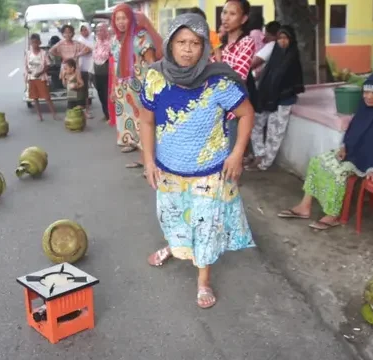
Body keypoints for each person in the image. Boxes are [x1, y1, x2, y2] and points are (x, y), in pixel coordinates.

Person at [140, 13, 255, 308]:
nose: (187, 49)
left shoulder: (218, 79)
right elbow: (147, 122)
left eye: (195, 43)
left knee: (205, 227)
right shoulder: (155, 77)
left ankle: (203, 280)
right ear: (170, 44)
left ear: (204, 47)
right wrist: (149, 161)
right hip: (168, 171)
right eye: (181, 42)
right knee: (174, 218)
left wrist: (237, 153)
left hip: (209, 172)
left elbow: (246, 114)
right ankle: (175, 247)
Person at [278, 73, 373, 230]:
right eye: (366, 92)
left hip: (368, 162)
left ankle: (333, 215)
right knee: (317, 161)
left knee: (337, 173)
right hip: (351, 153)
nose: (369, 97)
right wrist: (344, 146)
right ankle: (305, 206)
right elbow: (352, 131)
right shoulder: (363, 108)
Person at [110, 3, 163, 173]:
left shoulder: (141, 37)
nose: (120, 22)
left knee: (145, 125)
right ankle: (143, 159)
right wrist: (113, 88)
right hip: (124, 91)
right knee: (132, 126)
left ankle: (151, 164)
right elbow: (114, 67)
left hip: (141, 90)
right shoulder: (115, 40)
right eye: (117, 19)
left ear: (130, 18)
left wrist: (155, 88)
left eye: (124, 18)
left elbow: (153, 64)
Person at [247, 25, 304, 171]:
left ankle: (265, 163)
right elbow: (268, 75)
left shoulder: (292, 57)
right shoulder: (275, 54)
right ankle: (259, 154)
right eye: (279, 38)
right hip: (268, 98)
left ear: (291, 40)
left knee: (274, 132)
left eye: (285, 38)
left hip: (283, 99)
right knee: (255, 124)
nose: (282, 42)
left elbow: (290, 82)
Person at [219, 0, 255, 151]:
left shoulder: (246, 42)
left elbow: (236, 77)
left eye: (232, 14)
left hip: (232, 114)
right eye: (224, 12)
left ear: (244, 19)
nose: (225, 18)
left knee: (229, 166)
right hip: (213, 113)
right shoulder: (221, 44)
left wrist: (215, 54)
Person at [25, 33, 58, 121]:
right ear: (30, 43)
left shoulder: (43, 53)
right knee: (35, 98)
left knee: (47, 97)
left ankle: (54, 114)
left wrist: (40, 72)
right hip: (32, 78)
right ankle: (39, 116)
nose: (34, 45)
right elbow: (26, 65)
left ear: (39, 42)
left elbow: (48, 65)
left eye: (36, 42)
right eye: (32, 43)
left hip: (41, 78)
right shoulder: (28, 54)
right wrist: (28, 71)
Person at [93, 23, 111, 123]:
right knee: (100, 93)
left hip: (107, 71)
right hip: (97, 71)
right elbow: (95, 57)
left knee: (107, 93)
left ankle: (110, 114)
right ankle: (105, 113)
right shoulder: (97, 43)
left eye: (101, 30)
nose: (99, 32)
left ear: (105, 31)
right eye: (98, 30)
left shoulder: (110, 43)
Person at [76, 23, 95, 118]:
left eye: (86, 29)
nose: (84, 32)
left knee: (88, 90)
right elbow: (85, 50)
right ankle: (84, 110)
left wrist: (87, 50)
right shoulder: (79, 40)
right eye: (82, 30)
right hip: (82, 67)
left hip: (92, 66)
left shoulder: (93, 39)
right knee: (83, 90)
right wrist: (85, 51)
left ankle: (87, 110)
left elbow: (91, 49)